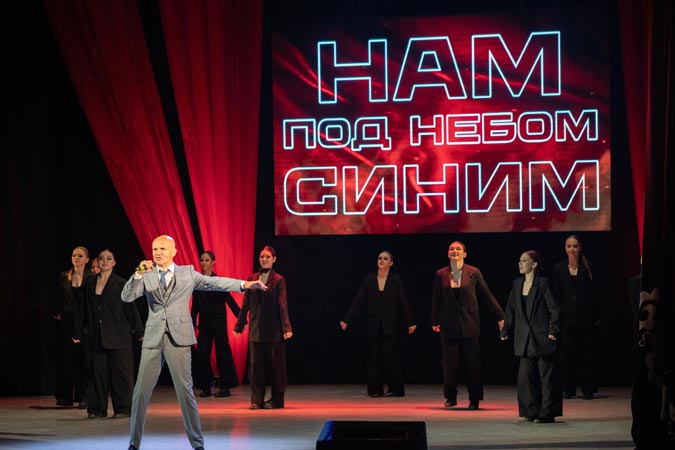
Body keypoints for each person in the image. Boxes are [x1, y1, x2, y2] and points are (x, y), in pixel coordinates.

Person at [121, 235, 266, 450]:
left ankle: (197, 444)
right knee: (140, 394)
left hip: (179, 338)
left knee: (185, 392)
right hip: (153, 338)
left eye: (162, 249)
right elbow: (126, 296)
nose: (157, 252)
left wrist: (244, 284)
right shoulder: (146, 275)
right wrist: (138, 274)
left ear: (173, 252)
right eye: (155, 249)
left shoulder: (187, 273)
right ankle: (134, 444)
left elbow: (215, 283)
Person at [431, 241, 504, 410]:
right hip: (448, 324)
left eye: (458, 248)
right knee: (449, 364)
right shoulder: (441, 274)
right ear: (448, 253)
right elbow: (436, 298)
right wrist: (434, 320)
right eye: (451, 249)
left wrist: (500, 317)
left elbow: (487, 294)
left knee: (472, 363)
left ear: (464, 254)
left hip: (470, 323)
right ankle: (450, 397)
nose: (454, 250)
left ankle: (474, 399)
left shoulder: (473, 272)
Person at [74, 249, 144, 419]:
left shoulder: (120, 283)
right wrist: (78, 331)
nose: (104, 261)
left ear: (114, 262)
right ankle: (97, 409)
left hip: (119, 335)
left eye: (108, 258)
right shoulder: (90, 283)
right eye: (101, 258)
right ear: (97, 261)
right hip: (97, 336)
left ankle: (123, 408)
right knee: (97, 374)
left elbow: (130, 307)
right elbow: (83, 309)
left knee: (121, 374)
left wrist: (139, 330)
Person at [340, 250, 416, 397]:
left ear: (391, 263)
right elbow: (358, 299)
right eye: (380, 258)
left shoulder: (395, 280)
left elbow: (403, 301)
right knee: (374, 357)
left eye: (385, 259)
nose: (381, 260)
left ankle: (396, 389)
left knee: (390, 357)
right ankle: (374, 389)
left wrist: (410, 322)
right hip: (373, 324)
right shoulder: (369, 280)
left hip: (390, 324)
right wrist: (347, 319)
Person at [500, 250, 562, 423]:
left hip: (542, 337)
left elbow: (554, 309)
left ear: (534, 264)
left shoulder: (543, 284)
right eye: (520, 260)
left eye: (524, 260)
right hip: (525, 338)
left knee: (546, 377)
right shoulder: (517, 284)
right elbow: (510, 309)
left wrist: (553, 329)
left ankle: (548, 410)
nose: (520, 263)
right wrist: (506, 329)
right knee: (525, 377)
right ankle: (531, 410)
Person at [234, 246, 292, 410]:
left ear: (274, 259)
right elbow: (246, 303)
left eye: (267, 257)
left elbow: (282, 304)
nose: (264, 259)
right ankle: (256, 400)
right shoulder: (252, 278)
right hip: (256, 329)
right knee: (255, 368)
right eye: (262, 257)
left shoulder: (279, 280)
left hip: (274, 330)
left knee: (277, 367)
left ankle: (277, 400)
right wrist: (239, 325)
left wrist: (286, 327)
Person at [552, 235, 598, 400]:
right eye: (569, 246)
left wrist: (595, 315)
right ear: (565, 248)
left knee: (586, 354)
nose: (572, 249)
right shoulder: (559, 268)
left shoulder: (588, 266)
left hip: (586, 318)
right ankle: (568, 388)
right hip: (566, 318)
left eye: (575, 246)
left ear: (580, 248)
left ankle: (588, 388)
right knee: (566, 355)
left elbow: (595, 293)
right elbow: (556, 294)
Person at [191, 250, 242, 398]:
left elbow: (229, 300)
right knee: (203, 355)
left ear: (213, 263)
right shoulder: (197, 283)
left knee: (222, 354)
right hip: (204, 324)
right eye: (202, 260)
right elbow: (195, 305)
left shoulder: (218, 281)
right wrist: (192, 322)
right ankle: (206, 386)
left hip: (219, 323)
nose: (203, 263)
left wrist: (241, 318)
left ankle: (225, 387)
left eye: (207, 260)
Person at [52, 246, 93, 408]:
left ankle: (84, 396)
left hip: (84, 323)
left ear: (87, 259)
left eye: (80, 256)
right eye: (74, 255)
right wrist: (57, 314)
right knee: (66, 360)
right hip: (67, 323)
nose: (76, 258)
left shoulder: (91, 277)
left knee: (85, 360)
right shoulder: (64, 276)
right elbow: (58, 297)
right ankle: (65, 396)